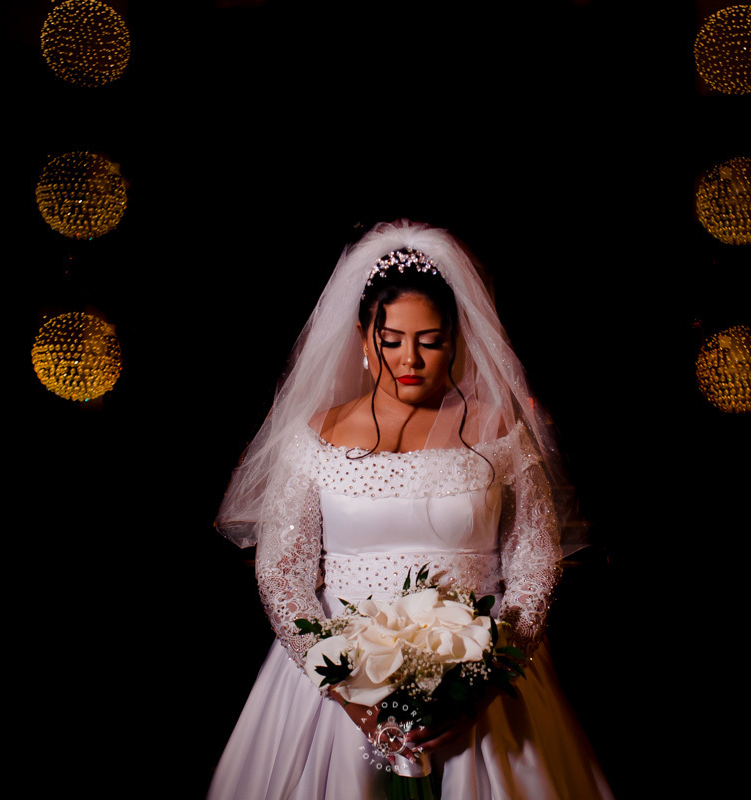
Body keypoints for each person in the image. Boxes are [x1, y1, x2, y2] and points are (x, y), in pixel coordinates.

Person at [210, 220, 613, 799]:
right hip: (335, 688)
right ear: (361, 335)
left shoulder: (499, 431)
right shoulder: (315, 436)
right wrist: (343, 687)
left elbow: (533, 566)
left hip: (481, 685)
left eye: (430, 341)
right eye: (390, 338)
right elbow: (280, 571)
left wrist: (485, 682)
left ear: (456, 338)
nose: (410, 359)